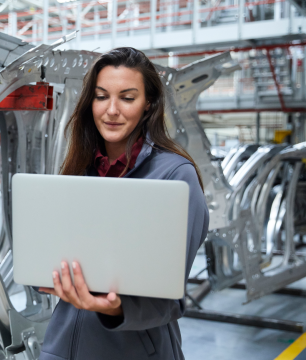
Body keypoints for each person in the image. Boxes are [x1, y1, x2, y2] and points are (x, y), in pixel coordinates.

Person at [36, 47, 209, 360]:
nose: (111, 110)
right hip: (63, 347)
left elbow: (170, 299)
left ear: (148, 105)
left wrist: (116, 307)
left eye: (127, 98)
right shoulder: (79, 170)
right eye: (101, 96)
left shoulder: (175, 177)